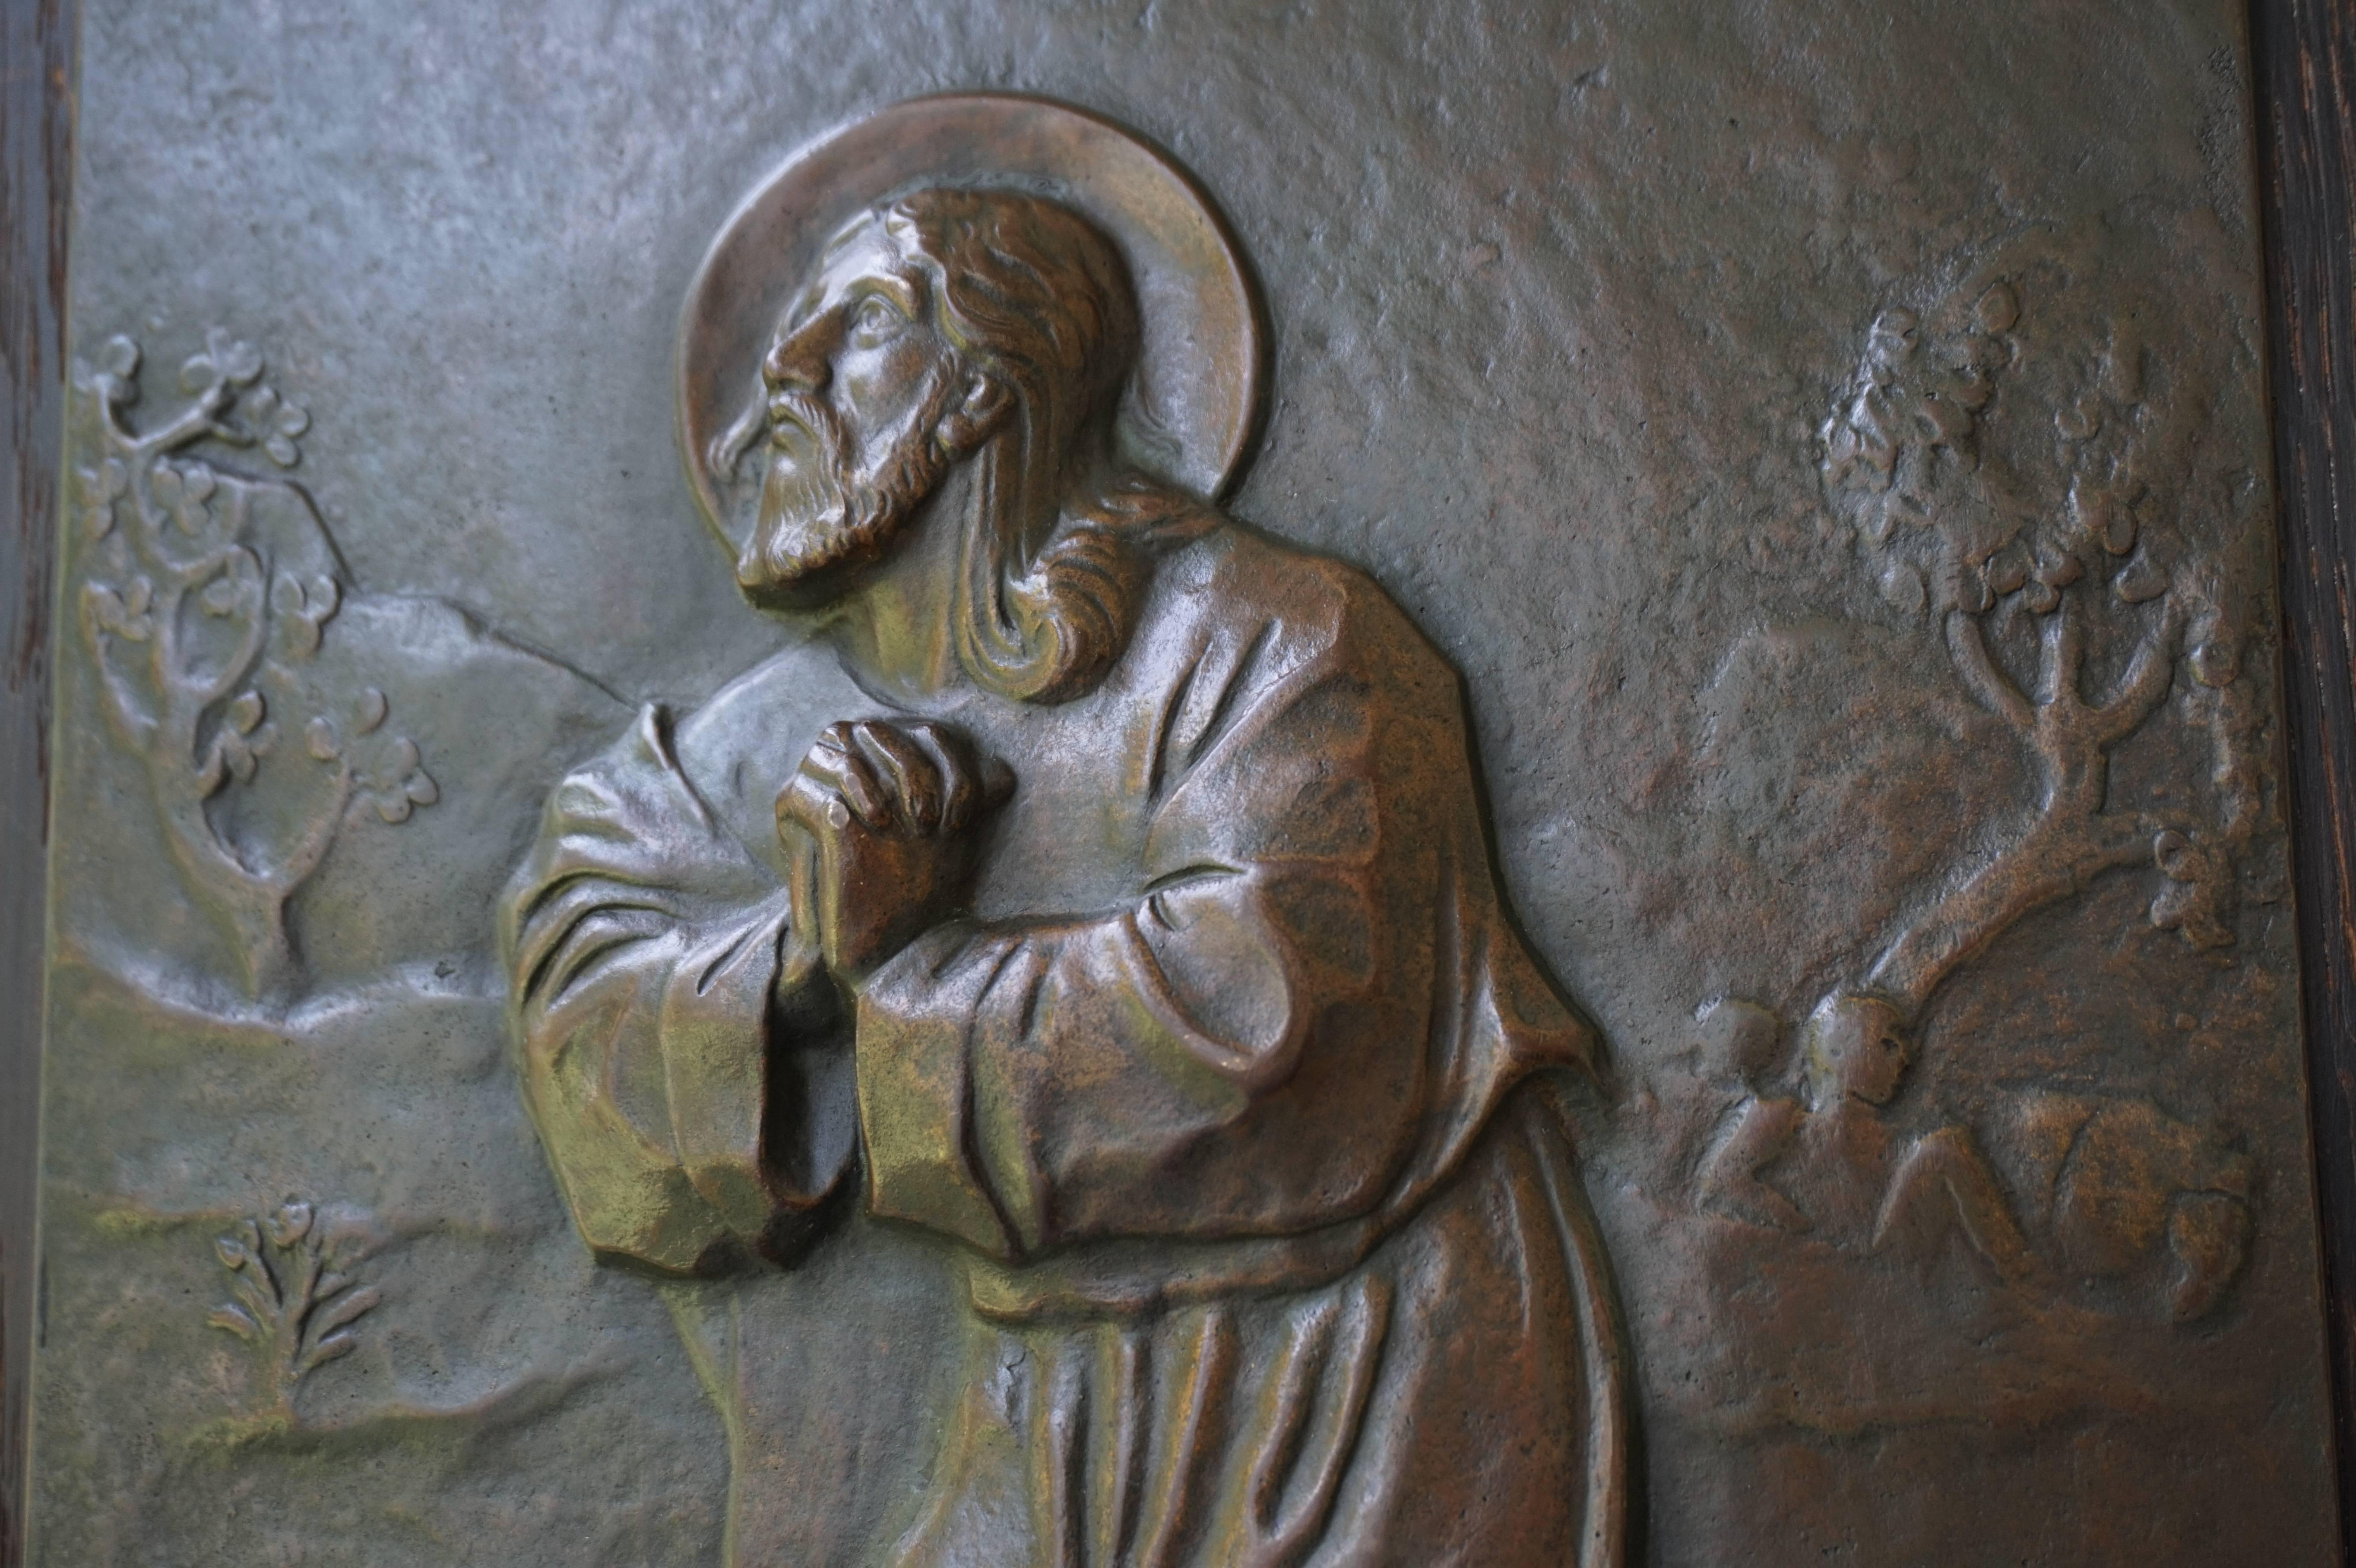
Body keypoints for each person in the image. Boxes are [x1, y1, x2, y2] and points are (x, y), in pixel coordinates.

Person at [501, 186, 1627, 1565]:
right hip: (1003, 1435)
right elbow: (582, 997)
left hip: (1327, 1401)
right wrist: (799, 967)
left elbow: (1287, 1021)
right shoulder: (724, 755)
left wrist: (912, 968)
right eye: (780, 340)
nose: (778, 381)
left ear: (986, 386)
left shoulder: (1278, 649)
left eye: (856, 326)